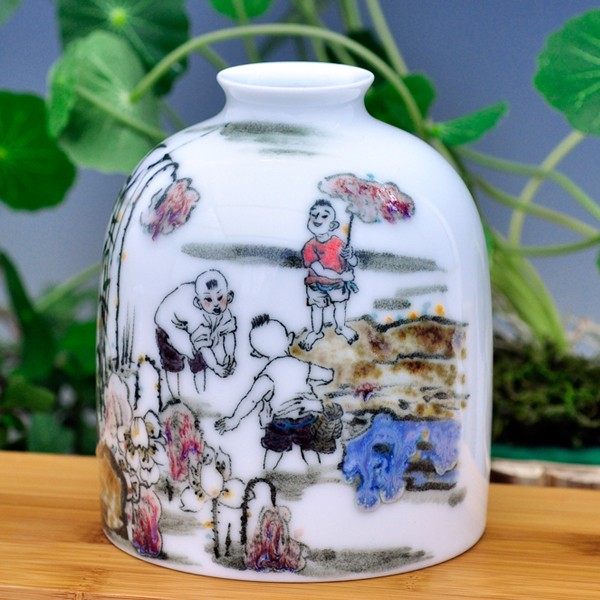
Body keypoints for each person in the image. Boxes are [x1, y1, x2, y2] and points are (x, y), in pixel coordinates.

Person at [215, 314, 334, 470]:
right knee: (309, 449)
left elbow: (251, 399)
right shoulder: (301, 366)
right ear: (289, 338)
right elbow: (327, 375)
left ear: (257, 352)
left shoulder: (267, 376)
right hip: (306, 418)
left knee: (274, 449)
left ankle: (267, 472)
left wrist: (235, 419)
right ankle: (318, 473)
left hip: (281, 422)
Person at [155, 269, 236, 399]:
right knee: (175, 362)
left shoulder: (224, 312)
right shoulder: (196, 316)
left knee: (199, 363)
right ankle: (175, 397)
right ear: (198, 303)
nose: (216, 304)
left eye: (220, 298)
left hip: (188, 326)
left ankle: (201, 395)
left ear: (229, 297)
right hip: (169, 325)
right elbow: (203, 347)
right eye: (209, 300)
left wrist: (230, 355)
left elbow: (229, 333)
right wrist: (216, 367)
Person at [299, 199, 358, 351]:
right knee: (317, 308)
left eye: (324, 216)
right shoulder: (309, 247)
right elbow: (320, 271)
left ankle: (341, 327)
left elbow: (353, 262)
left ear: (333, 225)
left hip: (337, 285)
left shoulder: (338, 243)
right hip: (316, 284)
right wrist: (343, 277)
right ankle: (315, 332)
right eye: (313, 215)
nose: (317, 218)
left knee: (340, 306)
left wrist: (350, 256)